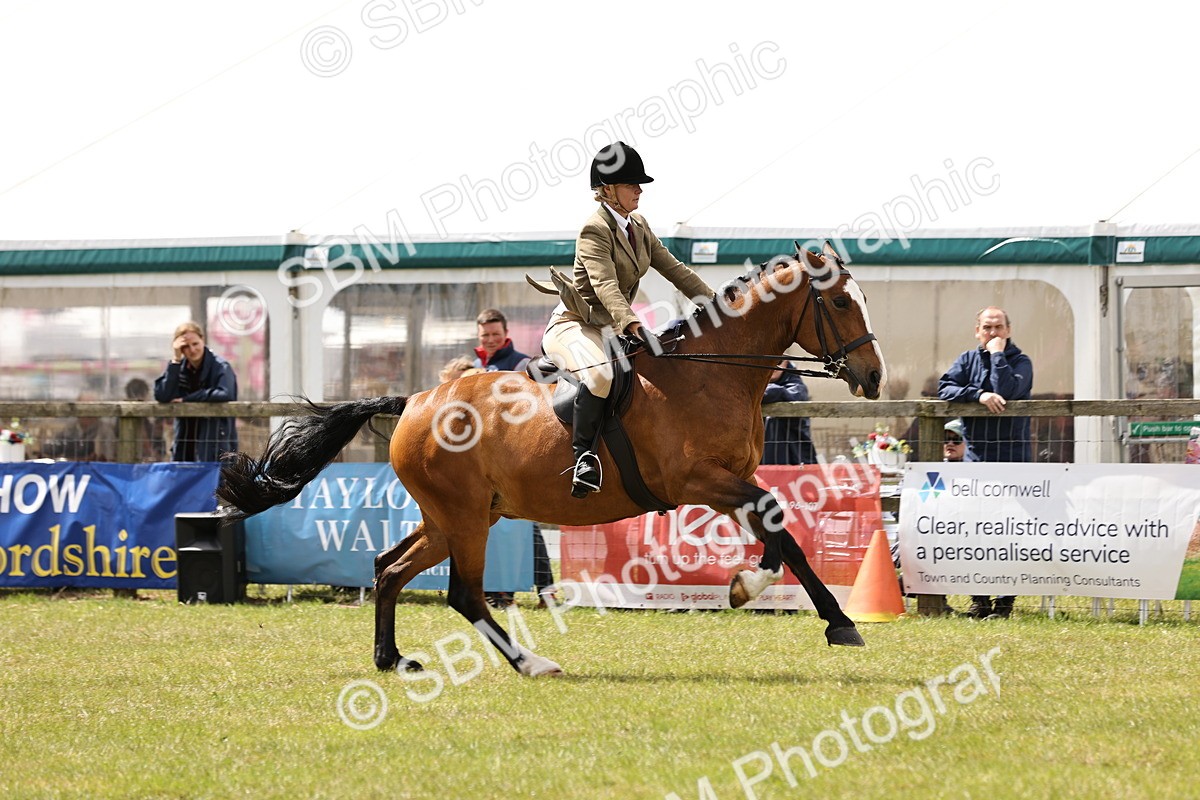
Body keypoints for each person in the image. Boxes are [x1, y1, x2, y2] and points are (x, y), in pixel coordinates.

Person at [528, 141, 715, 497]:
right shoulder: (594, 230)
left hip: (612, 326)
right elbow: (605, 285)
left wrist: (718, 303)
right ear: (609, 190)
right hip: (575, 324)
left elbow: (676, 270)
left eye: (639, 184)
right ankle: (583, 459)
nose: (640, 190)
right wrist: (633, 324)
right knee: (601, 375)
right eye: (632, 184)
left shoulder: (639, 226)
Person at [938, 306, 1033, 619]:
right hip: (976, 459)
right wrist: (977, 395)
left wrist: (997, 355)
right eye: (987, 327)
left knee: (1011, 533)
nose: (993, 333)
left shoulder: (1021, 362)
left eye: (998, 327)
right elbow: (944, 388)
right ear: (977, 331)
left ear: (1008, 330)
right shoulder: (966, 360)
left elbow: (1006, 389)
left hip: (1013, 459)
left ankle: (1005, 603)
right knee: (975, 530)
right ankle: (979, 601)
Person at [153, 321, 239, 462]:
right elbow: (162, 394)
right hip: (184, 445)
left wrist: (188, 399)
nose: (192, 350)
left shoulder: (221, 366)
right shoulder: (178, 368)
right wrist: (176, 360)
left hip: (216, 448)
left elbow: (225, 393)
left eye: (195, 344)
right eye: (186, 346)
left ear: (202, 340)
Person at [761, 361, 817, 465]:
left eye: (779, 362)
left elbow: (782, 393)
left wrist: (756, 394)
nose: (773, 366)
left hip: (796, 461)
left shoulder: (797, 387)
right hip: (762, 462)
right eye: (769, 361)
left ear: (786, 362)